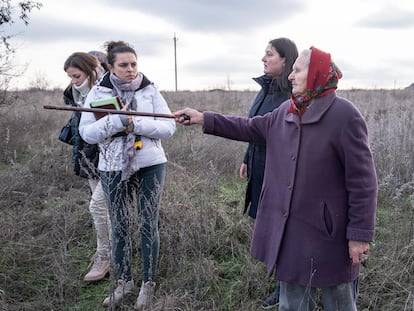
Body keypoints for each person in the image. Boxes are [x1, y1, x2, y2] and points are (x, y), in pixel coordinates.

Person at [175, 46, 378, 311]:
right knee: (292, 303)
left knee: (339, 302)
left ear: (316, 73)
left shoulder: (345, 116)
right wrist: (204, 118)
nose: (291, 77)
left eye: (297, 70)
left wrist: (359, 236)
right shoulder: (286, 111)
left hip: (331, 234)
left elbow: (363, 182)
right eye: (291, 70)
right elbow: (248, 127)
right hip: (291, 231)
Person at [79, 40, 176, 310]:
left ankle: (148, 284)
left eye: (134, 64)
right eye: (123, 65)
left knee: (148, 224)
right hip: (111, 166)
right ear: (110, 66)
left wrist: (134, 122)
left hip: (150, 164)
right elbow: (86, 132)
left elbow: (169, 127)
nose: (131, 70)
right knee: (119, 225)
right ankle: (124, 282)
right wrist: (114, 122)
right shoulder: (98, 93)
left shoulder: (150, 90)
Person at [239, 37, 298, 309]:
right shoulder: (264, 89)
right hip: (259, 163)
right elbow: (255, 127)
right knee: (267, 224)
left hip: (279, 170)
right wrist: (247, 158)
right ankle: (280, 277)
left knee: (283, 227)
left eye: (270, 54)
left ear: (286, 60)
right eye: (264, 54)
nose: (263, 59)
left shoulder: (291, 95)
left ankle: (286, 288)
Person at [63, 52, 112, 282]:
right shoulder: (74, 94)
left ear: (91, 71)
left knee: (98, 206)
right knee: (102, 208)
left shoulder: (107, 88)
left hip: (112, 157)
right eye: (71, 77)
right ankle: (109, 251)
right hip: (88, 156)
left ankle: (106, 256)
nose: (74, 81)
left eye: (77, 76)